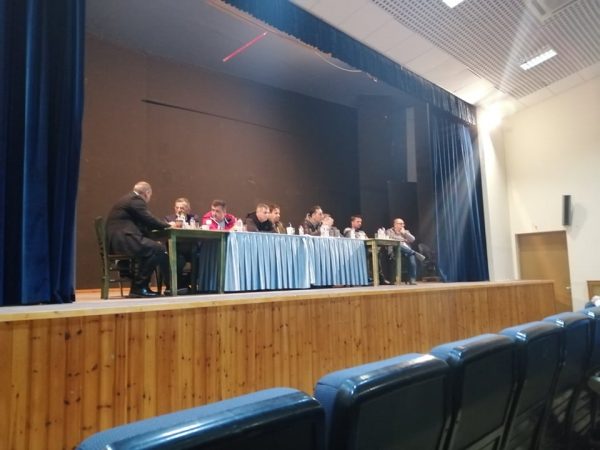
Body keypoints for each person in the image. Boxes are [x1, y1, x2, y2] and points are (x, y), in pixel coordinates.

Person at [105, 181, 171, 298]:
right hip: (124, 239)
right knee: (158, 249)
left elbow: (142, 223)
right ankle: (139, 287)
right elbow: (148, 219)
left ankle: (140, 287)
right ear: (147, 193)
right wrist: (169, 225)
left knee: (153, 248)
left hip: (119, 239)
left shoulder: (129, 199)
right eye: (150, 195)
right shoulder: (136, 200)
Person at [164, 198, 199, 292]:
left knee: (200, 258)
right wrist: (170, 225)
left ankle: (188, 286)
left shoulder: (193, 218)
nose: (179, 210)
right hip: (175, 249)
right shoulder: (168, 219)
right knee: (178, 260)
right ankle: (176, 286)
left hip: (190, 250)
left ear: (188, 209)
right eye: (177, 207)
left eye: (182, 208)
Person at [385, 218, 425, 285]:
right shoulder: (389, 231)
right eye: (401, 224)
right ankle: (414, 253)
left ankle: (412, 280)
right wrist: (403, 240)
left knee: (411, 257)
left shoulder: (406, 231)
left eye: (403, 224)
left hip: (407, 251)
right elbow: (390, 239)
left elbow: (412, 239)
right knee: (399, 245)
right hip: (395, 250)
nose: (403, 225)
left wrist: (404, 233)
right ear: (395, 224)